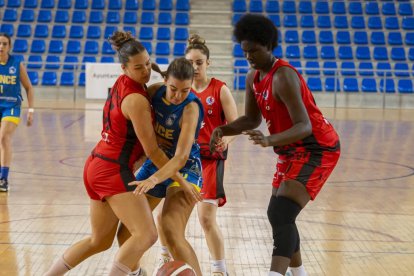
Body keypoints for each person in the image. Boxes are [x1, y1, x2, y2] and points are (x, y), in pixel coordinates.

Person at [45, 31, 198, 276]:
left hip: (96, 164)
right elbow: (152, 151)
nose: (146, 71)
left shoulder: (123, 82)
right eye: (139, 68)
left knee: (99, 241)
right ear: (124, 68)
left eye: (148, 64)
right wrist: (181, 180)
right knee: (147, 235)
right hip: (113, 169)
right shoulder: (137, 99)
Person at [210, 14, 341, 276]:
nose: (248, 57)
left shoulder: (283, 76)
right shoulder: (253, 76)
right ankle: (299, 273)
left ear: (269, 46)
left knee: (281, 213)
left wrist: (269, 140)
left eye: (254, 51)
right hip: (290, 149)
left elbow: (303, 125)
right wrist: (222, 129)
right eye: (244, 51)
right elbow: (251, 119)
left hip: (317, 148)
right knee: (278, 213)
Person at [152, 34, 239, 276]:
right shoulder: (176, 92)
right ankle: (164, 258)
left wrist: (225, 140)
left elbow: (236, 124)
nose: (195, 66)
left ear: (208, 63)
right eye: (191, 62)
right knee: (162, 216)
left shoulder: (219, 90)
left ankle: (219, 270)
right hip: (179, 159)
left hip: (208, 162)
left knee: (207, 220)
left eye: (200, 62)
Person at [118, 58, 204, 276]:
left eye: (185, 91)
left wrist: (154, 179)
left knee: (170, 228)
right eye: (173, 89)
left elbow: (181, 157)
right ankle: (137, 273)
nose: (177, 96)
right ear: (165, 81)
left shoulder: (191, 108)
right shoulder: (154, 92)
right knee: (127, 231)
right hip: (157, 161)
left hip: (185, 167)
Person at [0, 33, 34, 192]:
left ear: (9, 47)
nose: (1, 47)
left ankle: (3, 179)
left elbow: (29, 87)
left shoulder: (16, 63)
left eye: (5, 44)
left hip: (11, 106)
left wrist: (31, 110)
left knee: (4, 136)